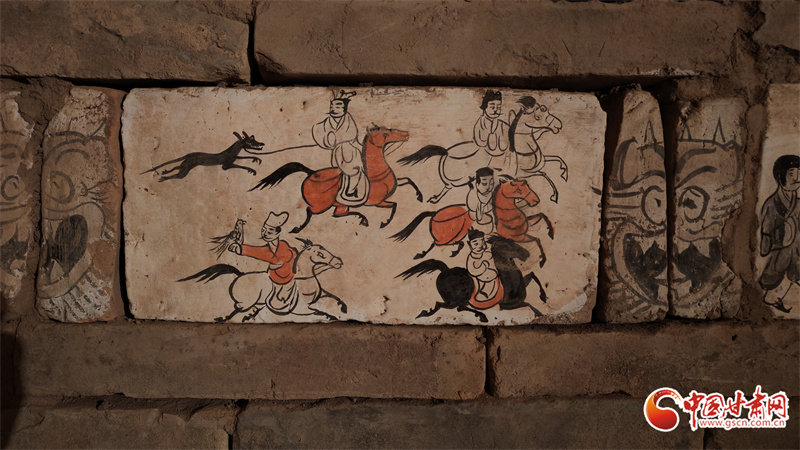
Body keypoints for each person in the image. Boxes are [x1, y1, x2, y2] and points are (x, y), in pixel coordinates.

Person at [759, 154, 800, 309]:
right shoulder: (771, 204)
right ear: (780, 176)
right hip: (780, 248)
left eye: (799, 173)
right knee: (777, 271)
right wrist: (768, 246)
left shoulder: (797, 202)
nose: (796, 178)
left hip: (796, 248)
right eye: (791, 174)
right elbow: (766, 231)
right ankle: (772, 298)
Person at [229, 211, 297, 304]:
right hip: (273, 277)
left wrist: (241, 249)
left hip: (284, 281)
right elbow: (260, 251)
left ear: (277, 233)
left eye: (269, 231)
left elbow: (264, 254)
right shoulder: (269, 249)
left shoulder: (283, 248)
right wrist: (240, 248)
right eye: (263, 230)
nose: (265, 234)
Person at [311, 90, 366, 204]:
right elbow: (320, 133)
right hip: (336, 152)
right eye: (332, 107)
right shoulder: (326, 122)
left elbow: (352, 135)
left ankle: (350, 191)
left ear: (344, 108)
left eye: (338, 107)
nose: (334, 109)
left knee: (356, 170)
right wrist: (328, 139)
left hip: (350, 151)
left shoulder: (348, 120)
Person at [473, 90, 510, 171]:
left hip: (502, 162)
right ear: (485, 106)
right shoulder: (479, 125)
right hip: (483, 163)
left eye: (498, 107)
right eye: (492, 107)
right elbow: (480, 143)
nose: (496, 110)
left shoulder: (504, 126)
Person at [466, 228, 500, 303]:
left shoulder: (486, 253)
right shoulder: (472, 257)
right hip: (481, 280)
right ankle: (484, 293)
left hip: (493, 279)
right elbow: (472, 271)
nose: (480, 246)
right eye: (476, 244)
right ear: (469, 244)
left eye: (482, 242)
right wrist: (484, 265)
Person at [466, 167, 495, 234]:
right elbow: (479, 218)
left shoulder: (490, 194)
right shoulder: (475, 196)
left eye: (491, 183)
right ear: (477, 184)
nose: (488, 187)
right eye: (484, 184)